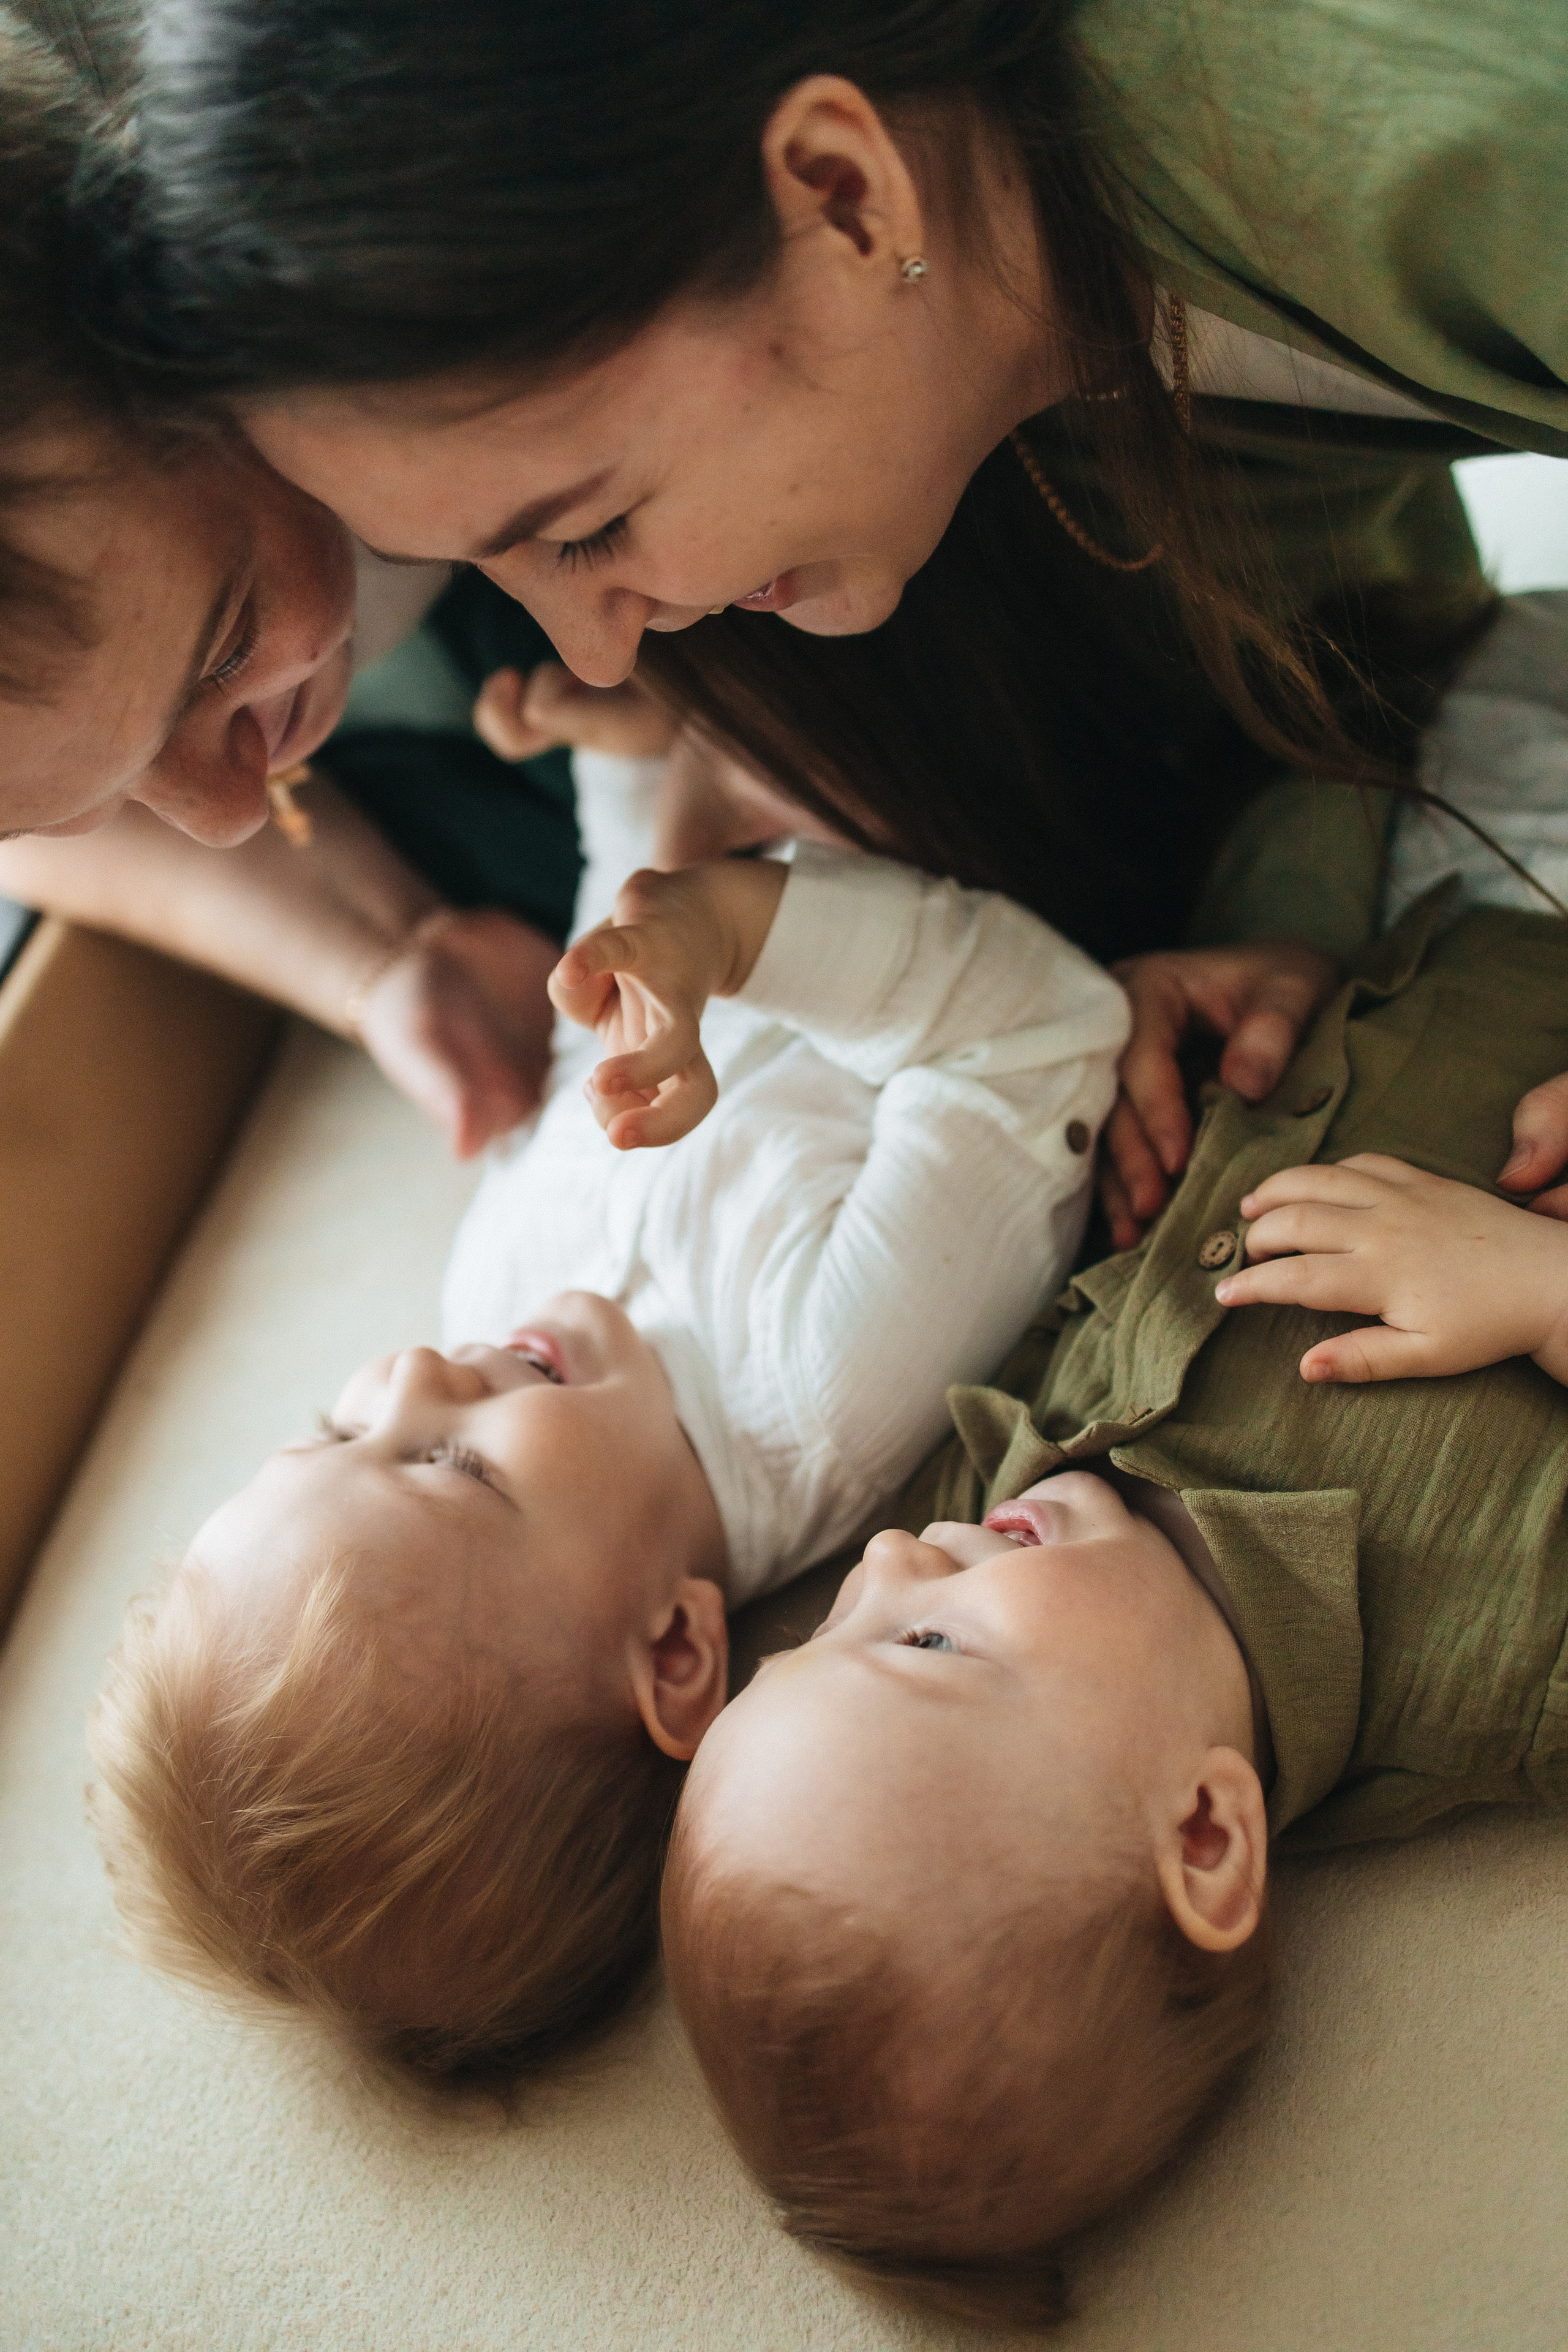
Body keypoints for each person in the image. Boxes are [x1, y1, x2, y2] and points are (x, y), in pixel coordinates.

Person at [658, 595, 1568, 2329]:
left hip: (1359, 837)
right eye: (927, 1645)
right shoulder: (1501, 1665)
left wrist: (1192, 1012)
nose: (884, 1562)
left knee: (1298, 680)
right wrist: (1538, 1291)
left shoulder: (996, 1481)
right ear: (1205, 1833)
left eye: (824, 1627)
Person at [86, 763, 1129, 2081]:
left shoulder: (495, 1300)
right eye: (448, 1466)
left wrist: (632, 765)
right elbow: (1034, 1039)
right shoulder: (822, 1384)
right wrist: (737, 931)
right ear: (677, 1651)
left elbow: (611, 997)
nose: (412, 1371)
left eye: (334, 1429)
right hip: (963, 800)